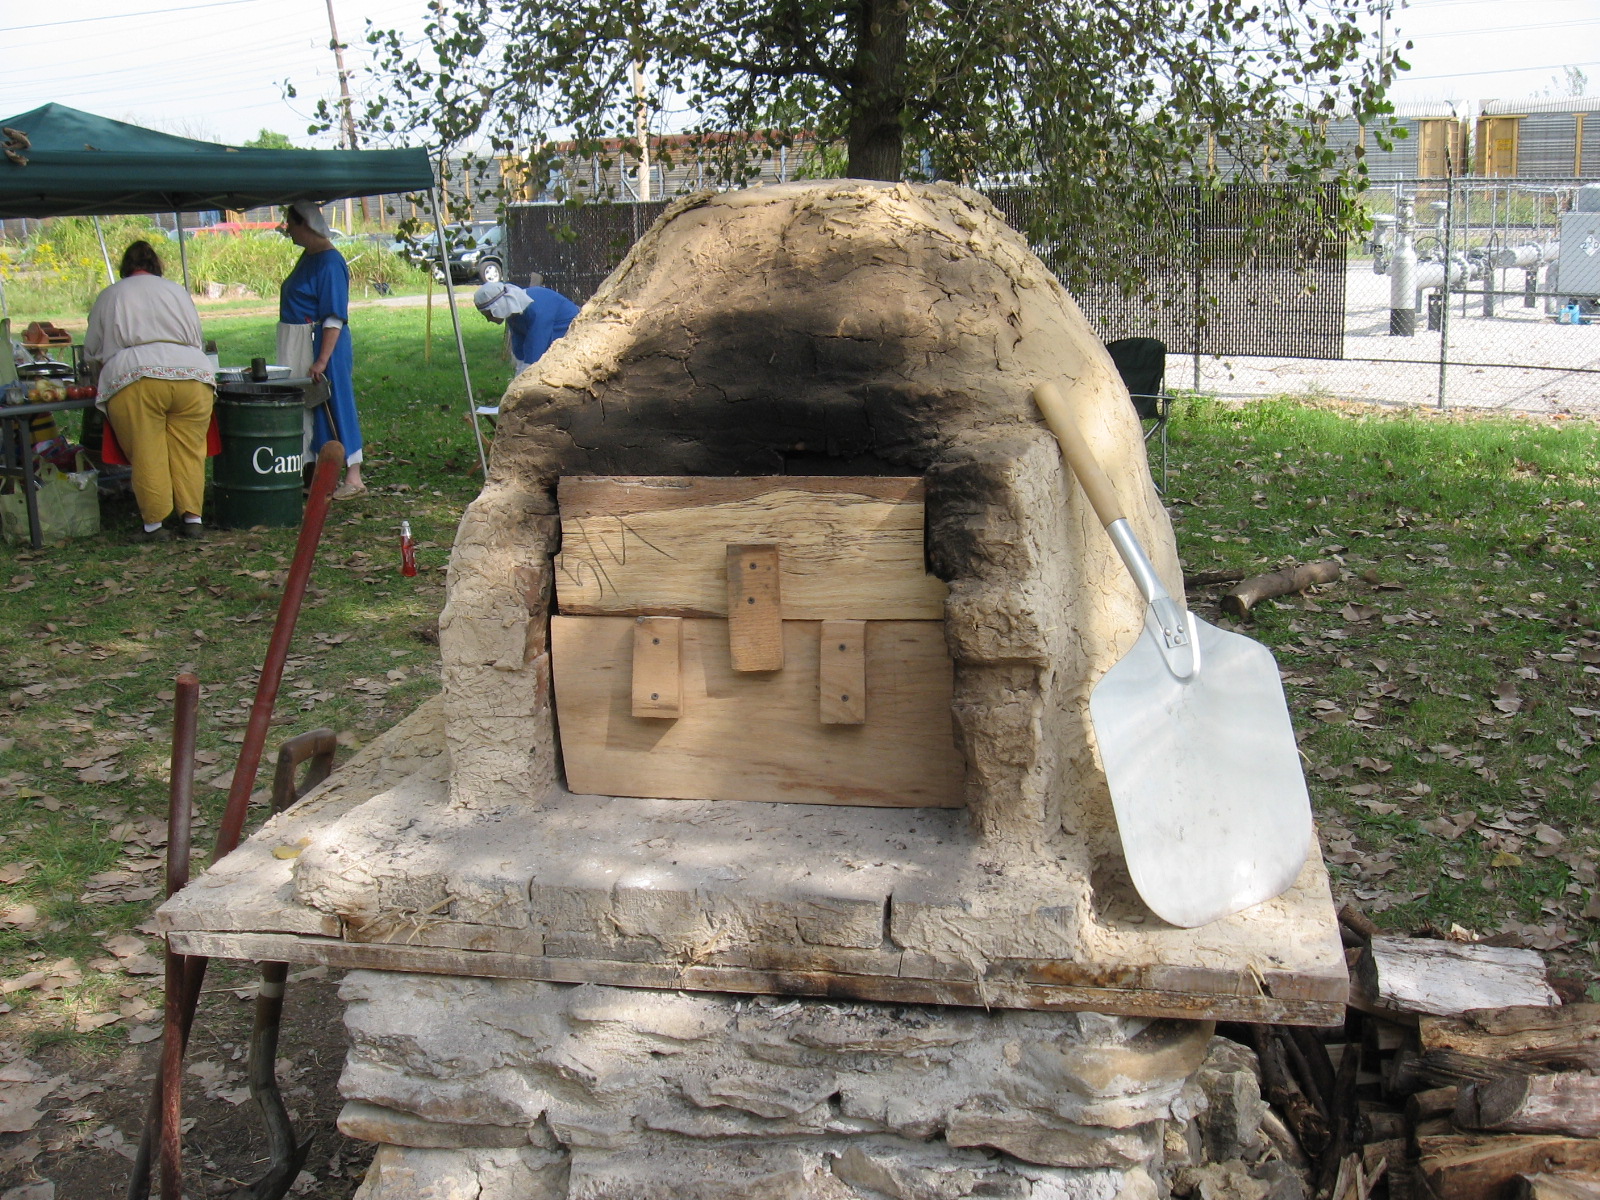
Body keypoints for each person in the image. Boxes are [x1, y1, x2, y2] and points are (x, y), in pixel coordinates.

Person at [84, 241, 215, 541]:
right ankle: (192, 517)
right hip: (192, 373)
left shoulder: (111, 295)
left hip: (136, 375)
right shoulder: (177, 292)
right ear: (157, 265)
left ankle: (155, 525)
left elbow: (92, 349)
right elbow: (197, 337)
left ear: (125, 268)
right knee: (190, 449)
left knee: (147, 451)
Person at [279, 200, 364, 498]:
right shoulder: (309, 257)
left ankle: (353, 476)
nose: (287, 230)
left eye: (291, 223)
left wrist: (322, 359)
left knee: (335, 400)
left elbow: (333, 315)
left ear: (306, 224)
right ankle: (318, 473)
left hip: (323, 343)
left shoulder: (329, 262)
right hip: (300, 340)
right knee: (311, 408)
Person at [472, 277, 580, 374]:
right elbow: (519, 344)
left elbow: (536, 349)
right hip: (545, 330)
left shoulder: (535, 312)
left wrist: (522, 378)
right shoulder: (514, 313)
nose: (489, 320)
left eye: (489, 315)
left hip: (568, 330)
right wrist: (519, 369)